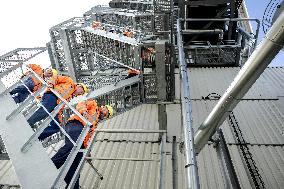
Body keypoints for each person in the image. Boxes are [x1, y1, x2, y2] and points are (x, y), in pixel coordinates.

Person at [51, 99, 113, 189]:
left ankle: (73, 186)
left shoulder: (95, 125)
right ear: (103, 107)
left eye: (107, 115)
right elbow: (81, 104)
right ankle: (52, 164)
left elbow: (87, 138)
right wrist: (84, 112)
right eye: (106, 111)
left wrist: (88, 151)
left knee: (77, 165)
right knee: (72, 146)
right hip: (76, 124)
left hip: (82, 139)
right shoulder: (94, 105)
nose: (105, 114)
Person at [26, 74, 88, 139]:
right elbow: (56, 77)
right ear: (79, 86)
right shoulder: (69, 81)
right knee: (46, 110)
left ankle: (38, 137)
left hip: (56, 104)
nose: (80, 93)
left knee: (56, 126)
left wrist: (59, 120)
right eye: (82, 91)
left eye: (81, 93)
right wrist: (52, 84)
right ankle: (28, 122)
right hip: (52, 95)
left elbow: (60, 108)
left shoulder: (69, 97)